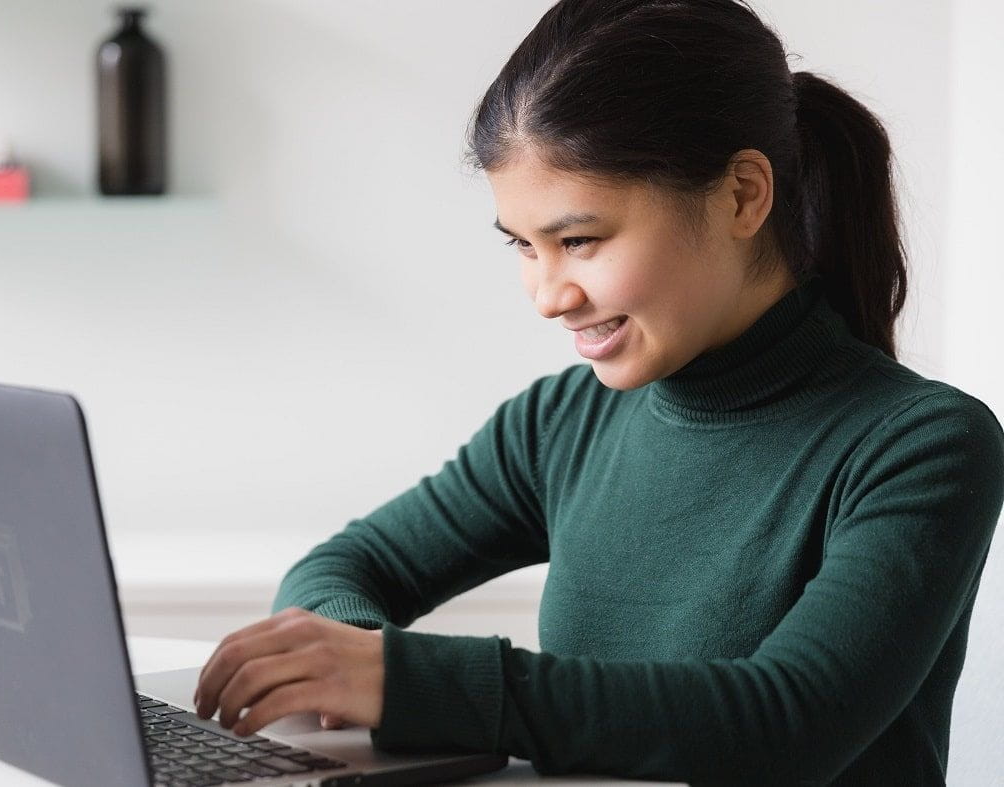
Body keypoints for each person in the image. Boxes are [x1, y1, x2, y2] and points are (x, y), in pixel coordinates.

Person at [191, 0, 1004, 783]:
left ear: (742, 195)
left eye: (579, 240)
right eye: (524, 246)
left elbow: (785, 726)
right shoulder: (559, 422)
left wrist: (408, 683)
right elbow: (342, 566)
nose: (549, 294)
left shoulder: (922, 443)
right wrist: (350, 661)